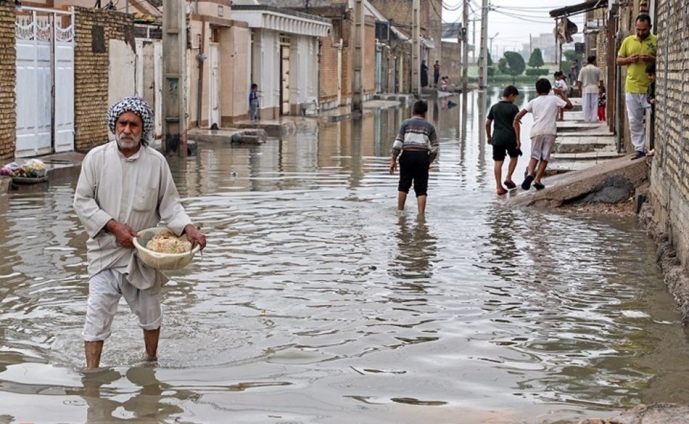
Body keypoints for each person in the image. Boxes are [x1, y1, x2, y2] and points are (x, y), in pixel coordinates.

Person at [73, 96, 207, 369]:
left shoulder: (156, 163)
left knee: (151, 315)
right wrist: (113, 227)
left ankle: (151, 365)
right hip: (104, 254)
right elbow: (82, 201)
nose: (127, 130)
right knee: (96, 317)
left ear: (143, 129)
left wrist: (189, 228)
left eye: (134, 125)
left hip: (142, 256)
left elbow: (170, 206)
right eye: (122, 123)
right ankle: (91, 374)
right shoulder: (96, 159)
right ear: (114, 125)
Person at [514, 78, 573, 191]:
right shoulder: (554, 99)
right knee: (544, 157)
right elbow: (570, 106)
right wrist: (561, 94)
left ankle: (530, 174)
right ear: (550, 89)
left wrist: (517, 120)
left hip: (536, 131)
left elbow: (518, 116)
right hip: (550, 131)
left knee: (534, 155)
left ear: (536, 90)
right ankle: (537, 179)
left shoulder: (533, 102)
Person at [616, 13, 657, 160]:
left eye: (644, 30)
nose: (640, 33)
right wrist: (628, 59)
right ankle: (639, 149)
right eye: (638, 29)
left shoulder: (656, 41)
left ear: (650, 28)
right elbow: (618, 60)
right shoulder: (628, 41)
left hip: (651, 88)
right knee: (634, 120)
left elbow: (665, 60)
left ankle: (655, 146)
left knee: (655, 117)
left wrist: (652, 59)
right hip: (632, 87)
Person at [389, 100, 438, 216]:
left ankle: (400, 212)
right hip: (422, 157)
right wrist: (428, 161)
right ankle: (421, 217)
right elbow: (435, 147)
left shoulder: (405, 124)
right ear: (425, 113)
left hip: (407, 155)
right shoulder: (430, 126)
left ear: (413, 111)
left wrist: (393, 159)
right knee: (421, 188)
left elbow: (398, 143)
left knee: (403, 185)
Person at [486, 85, 521, 196]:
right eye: (514, 97)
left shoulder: (494, 107)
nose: (515, 99)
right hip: (510, 137)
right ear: (511, 95)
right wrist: (518, 139)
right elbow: (516, 125)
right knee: (514, 157)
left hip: (497, 138)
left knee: (498, 162)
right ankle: (508, 177)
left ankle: (499, 187)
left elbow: (487, 123)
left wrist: (489, 136)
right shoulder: (513, 108)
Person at [577, 55, 605, 122]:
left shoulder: (583, 69)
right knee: (594, 105)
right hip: (595, 89)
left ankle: (586, 118)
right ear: (594, 61)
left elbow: (579, 81)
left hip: (586, 89)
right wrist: (601, 89)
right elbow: (601, 81)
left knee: (586, 105)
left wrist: (580, 90)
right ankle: (593, 119)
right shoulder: (597, 70)